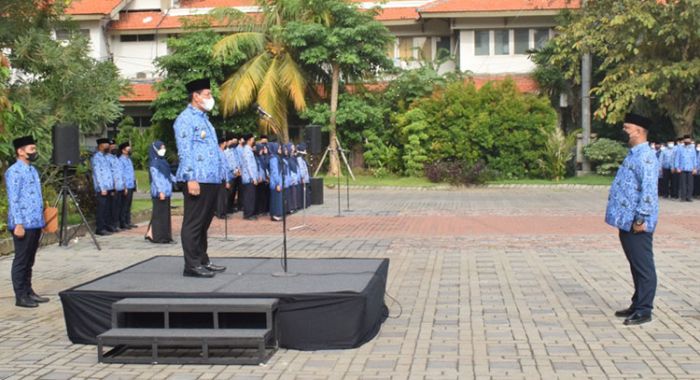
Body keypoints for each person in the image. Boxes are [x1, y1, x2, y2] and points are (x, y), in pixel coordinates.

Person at [606, 113, 659, 326]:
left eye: (627, 128)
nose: (624, 131)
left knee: (643, 266)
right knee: (635, 264)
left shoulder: (645, 157)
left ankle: (644, 310)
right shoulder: (634, 153)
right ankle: (637, 303)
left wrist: (641, 219)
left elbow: (648, 191)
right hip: (626, 220)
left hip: (637, 222)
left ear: (638, 131)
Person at [173, 78, 226, 278]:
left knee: (204, 223)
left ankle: (203, 259)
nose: (210, 98)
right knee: (193, 222)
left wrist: (223, 174)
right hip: (197, 179)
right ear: (195, 97)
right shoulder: (185, 119)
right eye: (207, 95)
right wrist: (190, 178)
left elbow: (214, 150)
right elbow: (185, 151)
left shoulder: (205, 120)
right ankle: (192, 265)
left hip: (211, 178)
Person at [5, 136, 49, 308]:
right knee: (21, 259)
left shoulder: (32, 170)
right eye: (31, 149)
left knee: (30, 259)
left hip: (35, 221)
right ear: (20, 151)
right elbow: (13, 199)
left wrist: (42, 220)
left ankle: (29, 291)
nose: (34, 152)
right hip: (22, 222)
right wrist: (18, 224)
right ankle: (20, 295)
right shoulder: (14, 172)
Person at [146, 141, 176, 244]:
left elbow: (169, 175)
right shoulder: (154, 163)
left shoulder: (163, 162)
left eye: (164, 147)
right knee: (159, 215)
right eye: (161, 148)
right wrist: (160, 191)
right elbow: (156, 178)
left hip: (166, 191)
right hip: (160, 192)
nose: (163, 150)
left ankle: (165, 236)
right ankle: (159, 237)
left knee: (165, 215)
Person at [91, 138, 115, 236]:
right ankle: (100, 228)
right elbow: (98, 174)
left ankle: (106, 226)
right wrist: (102, 187)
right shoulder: (97, 158)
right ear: (101, 145)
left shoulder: (106, 157)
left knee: (107, 208)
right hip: (102, 188)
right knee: (102, 208)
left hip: (108, 186)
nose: (108, 146)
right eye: (106, 144)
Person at [107, 139, 126, 232]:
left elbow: (120, 173)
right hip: (113, 187)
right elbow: (110, 174)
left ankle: (117, 224)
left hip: (120, 186)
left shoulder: (116, 159)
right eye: (112, 146)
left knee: (118, 207)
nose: (114, 148)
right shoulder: (107, 158)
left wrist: (124, 185)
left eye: (115, 146)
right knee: (112, 208)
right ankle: (111, 225)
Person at [118, 142, 137, 229]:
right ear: (123, 151)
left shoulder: (129, 160)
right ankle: (123, 222)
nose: (130, 151)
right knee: (124, 205)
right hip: (125, 186)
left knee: (129, 204)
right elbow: (121, 174)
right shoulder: (121, 160)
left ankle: (128, 221)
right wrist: (124, 186)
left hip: (131, 185)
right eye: (128, 149)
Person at [240, 133, 258, 220]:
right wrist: (253, 178)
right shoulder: (247, 150)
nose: (254, 141)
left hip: (250, 178)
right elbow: (248, 165)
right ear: (249, 140)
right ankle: (248, 214)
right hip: (249, 178)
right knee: (248, 197)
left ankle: (250, 213)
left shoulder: (249, 150)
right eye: (253, 139)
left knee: (251, 196)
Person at [674, 135, 697, 202]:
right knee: (683, 183)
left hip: (690, 168)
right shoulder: (680, 148)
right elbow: (677, 158)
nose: (687, 141)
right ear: (684, 140)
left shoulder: (692, 148)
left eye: (688, 140)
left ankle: (689, 197)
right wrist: (677, 167)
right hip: (682, 168)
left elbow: (694, 158)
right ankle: (683, 197)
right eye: (686, 140)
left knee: (690, 184)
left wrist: (695, 168)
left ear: (690, 140)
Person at [216, 135, 233, 219]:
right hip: (220, 178)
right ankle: (220, 213)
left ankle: (223, 212)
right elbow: (221, 168)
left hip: (223, 178)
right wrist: (226, 180)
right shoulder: (218, 153)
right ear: (222, 144)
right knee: (221, 197)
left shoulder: (222, 153)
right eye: (224, 143)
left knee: (224, 196)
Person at [224, 133, 241, 214]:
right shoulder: (226, 152)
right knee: (229, 193)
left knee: (233, 193)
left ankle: (230, 208)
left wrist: (238, 169)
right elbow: (228, 164)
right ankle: (226, 209)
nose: (234, 142)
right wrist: (234, 171)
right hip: (230, 175)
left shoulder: (235, 151)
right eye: (232, 141)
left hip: (236, 175)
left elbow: (237, 161)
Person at [267, 142, 284, 221]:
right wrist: (277, 183)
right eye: (279, 148)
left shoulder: (277, 157)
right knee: (275, 199)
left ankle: (277, 214)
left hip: (278, 182)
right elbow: (274, 172)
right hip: (275, 183)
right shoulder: (273, 158)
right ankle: (274, 214)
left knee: (277, 198)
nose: (280, 150)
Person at [296, 143, 311, 208]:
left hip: (305, 177)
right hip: (303, 178)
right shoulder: (299, 158)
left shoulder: (302, 158)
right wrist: (302, 177)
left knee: (306, 191)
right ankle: (303, 204)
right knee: (303, 191)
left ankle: (306, 203)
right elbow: (301, 168)